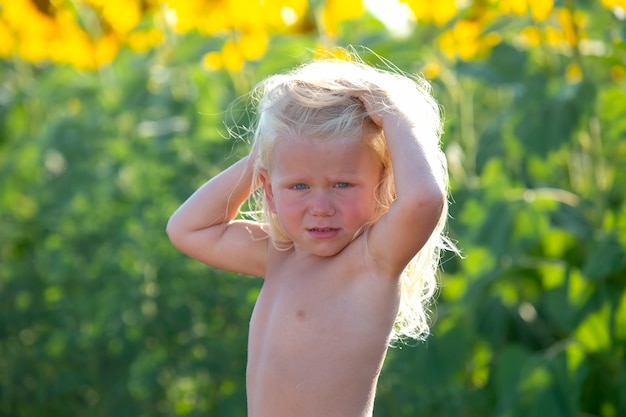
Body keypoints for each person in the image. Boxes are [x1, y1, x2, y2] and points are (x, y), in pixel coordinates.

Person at [166, 52, 456, 417]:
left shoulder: (370, 261)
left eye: (342, 184)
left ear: (381, 186)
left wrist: (394, 114)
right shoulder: (278, 254)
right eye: (299, 185)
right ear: (269, 191)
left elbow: (423, 199)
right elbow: (187, 229)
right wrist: (263, 156)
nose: (321, 206)